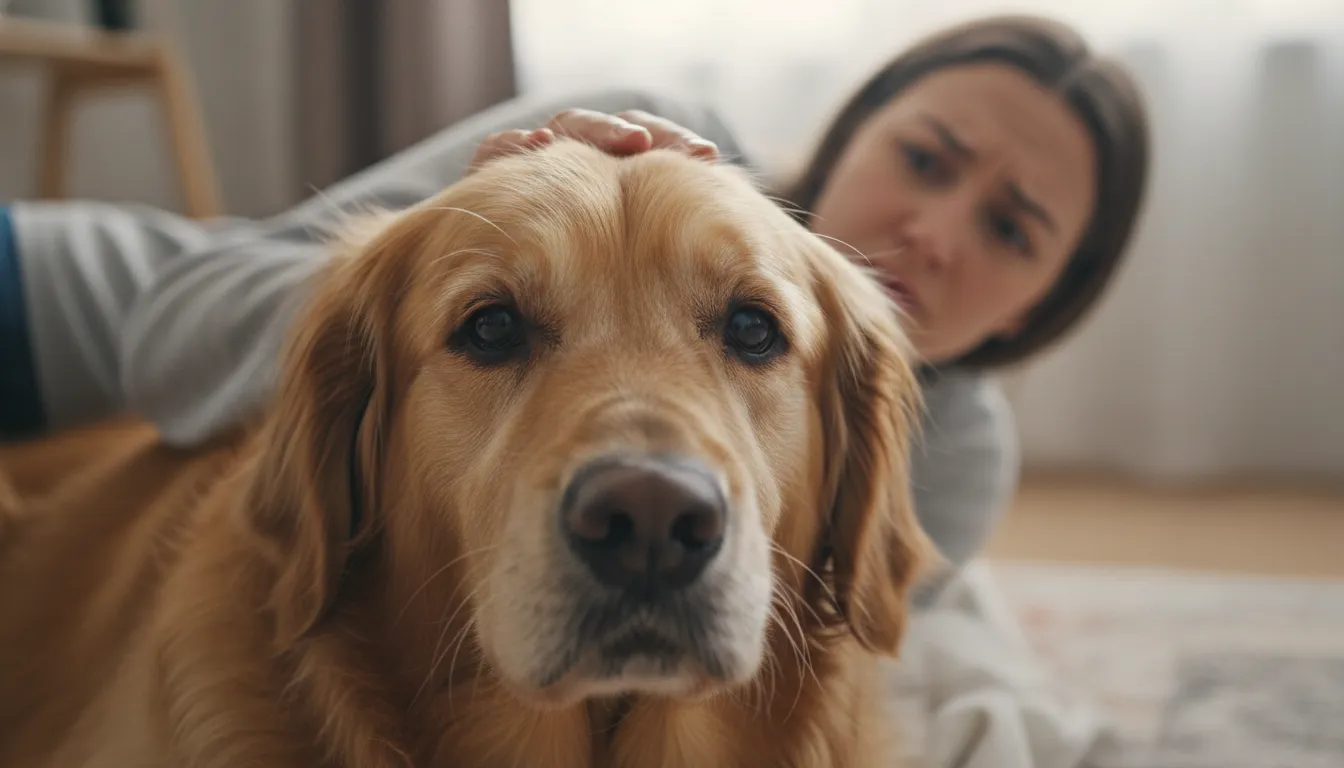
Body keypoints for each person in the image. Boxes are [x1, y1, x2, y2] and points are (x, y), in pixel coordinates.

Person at [0, 14, 1149, 599]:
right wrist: (450, 255)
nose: (934, 234)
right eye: (927, 157)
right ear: (856, 127)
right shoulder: (625, 139)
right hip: (55, 308)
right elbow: (167, 323)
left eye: (1011, 230)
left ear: (1042, 305)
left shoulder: (949, 452)